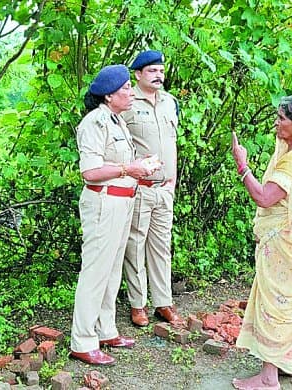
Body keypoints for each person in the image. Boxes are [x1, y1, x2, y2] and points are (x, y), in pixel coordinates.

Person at [230, 95, 292, 390]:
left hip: (284, 246)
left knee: (275, 304)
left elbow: (264, 197)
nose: (276, 122)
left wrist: (242, 166)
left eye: (282, 118)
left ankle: (268, 377)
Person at [69, 64, 155, 365]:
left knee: (112, 269)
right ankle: (82, 339)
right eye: (125, 90)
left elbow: (120, 163)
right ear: (108, 96)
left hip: (123, 202)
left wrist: (139, 166)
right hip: (103, 204)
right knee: (95, 272)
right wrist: (128, 169)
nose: (131, 93)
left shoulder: (117, 120)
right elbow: (90, 172)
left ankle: (106, 329)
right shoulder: (94, 123)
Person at [121, 50, 182, 326]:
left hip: (164, 190)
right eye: (152, 71)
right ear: (138, 75)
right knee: (135, 245)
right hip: (139, 187)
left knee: (161, 246)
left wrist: (173, 180)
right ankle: (138, 304)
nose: (159, 75)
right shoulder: (127, 102)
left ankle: (163, 302)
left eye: (161, 70)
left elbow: (172, 144)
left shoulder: (170, 103)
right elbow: (118, 146)